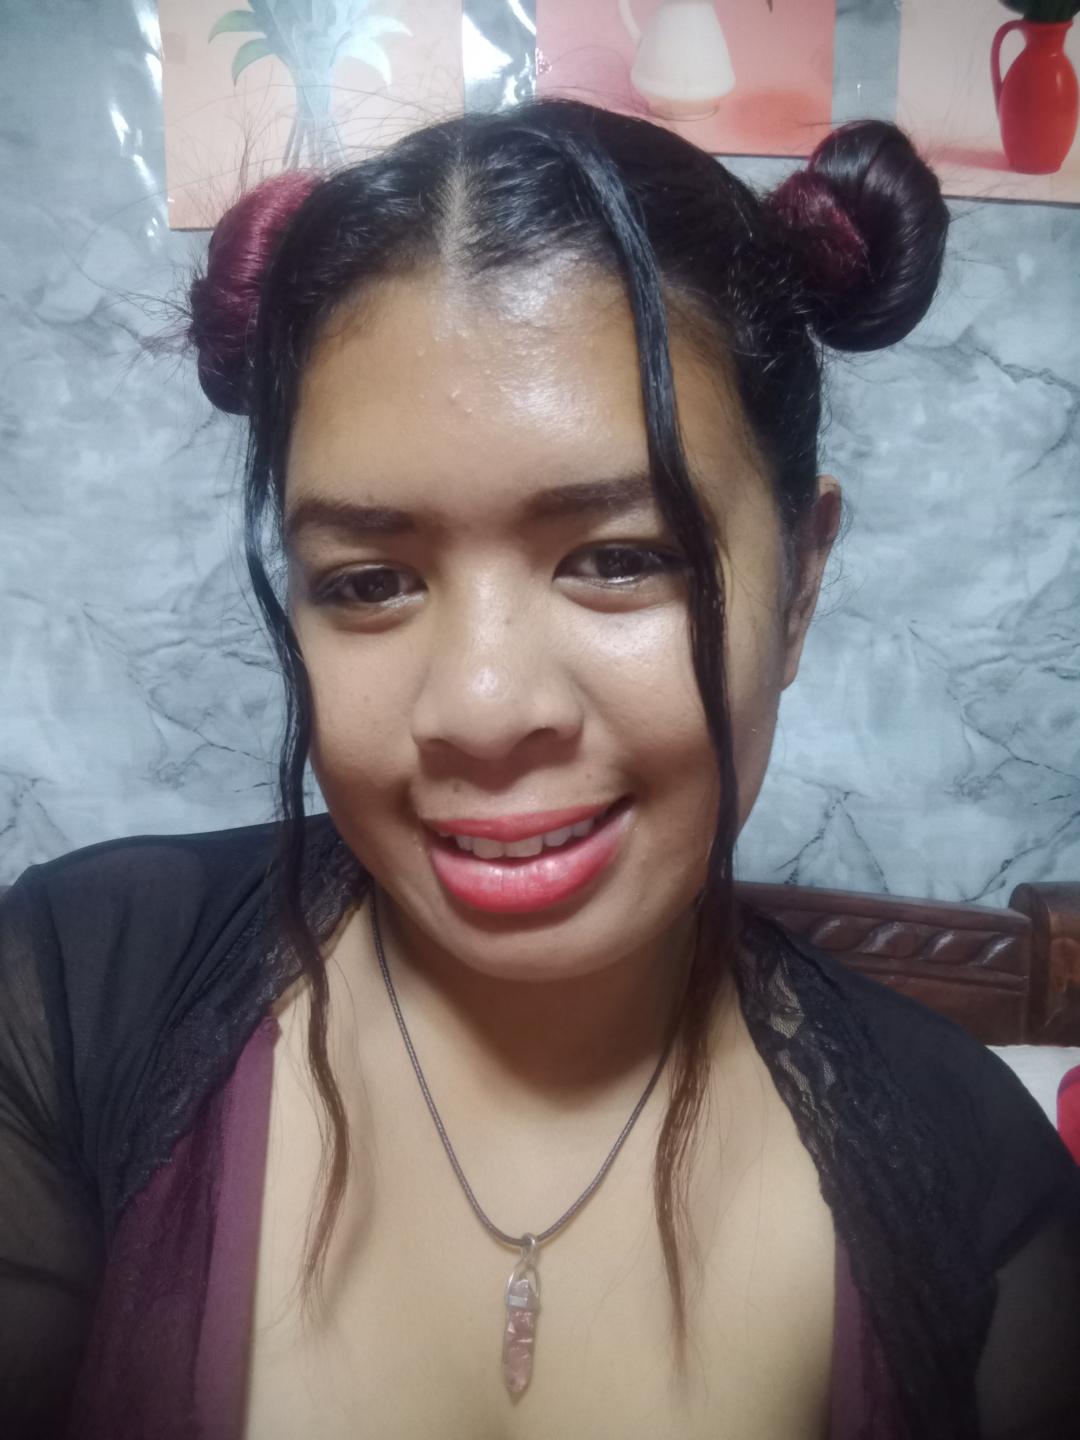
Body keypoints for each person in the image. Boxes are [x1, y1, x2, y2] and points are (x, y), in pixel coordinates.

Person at [1, 98, 1078, 1440]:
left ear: (798, 587)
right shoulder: (72, 996)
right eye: (370, 581)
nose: (482, 708)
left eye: (619, 558)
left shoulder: (986, 1198)